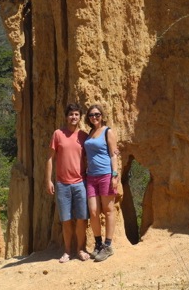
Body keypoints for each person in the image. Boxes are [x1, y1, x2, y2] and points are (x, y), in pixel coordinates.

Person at [46, 102, 90, 263]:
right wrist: (48, 180)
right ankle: (67, 251)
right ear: (66, 116)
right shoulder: (58, 134)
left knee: (81, 219)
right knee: (65, 219)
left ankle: (80, 249)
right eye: (71, 114)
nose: (73, 117)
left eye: (76, 114)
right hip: (62, 184)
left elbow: (93, 154)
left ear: (80, 117)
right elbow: (50, 158)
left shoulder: (84, 136)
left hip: (80, 183)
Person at [83, 104, 119, 262]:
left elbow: (113, 154)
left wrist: (115, 174)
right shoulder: (90, 133)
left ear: (102, 115)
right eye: (91, 115)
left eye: (97, 114)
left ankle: (108, 246)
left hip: (105, 174)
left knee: (108, 209)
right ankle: (98, 244)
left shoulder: (107, 131)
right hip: (91, 177)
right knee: (93, 211)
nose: (94, 117)